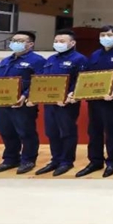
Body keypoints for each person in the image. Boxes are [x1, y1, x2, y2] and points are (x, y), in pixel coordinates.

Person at [76, 25, 113, 178]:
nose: (105, 38)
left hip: (112, 99)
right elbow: (88, 76)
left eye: (109, 35)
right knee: (94, 130)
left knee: (111, 131)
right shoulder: (95, 54)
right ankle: (95, 161)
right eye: (102, 35)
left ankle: (112, 162)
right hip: (95, 99)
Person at [0, 31, 46, 175]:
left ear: (30, 44)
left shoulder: (37, 60)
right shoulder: (6, 61)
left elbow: (40, 81)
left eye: (20, 41)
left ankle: (28, 160)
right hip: (3, 104)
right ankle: (10, 159)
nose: (15, 43)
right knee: (6, 132)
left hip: (23, 104)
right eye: (14, 40)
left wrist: (26, 95)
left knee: (26, 132)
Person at [35, 30, 87, 176]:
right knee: (52, 132)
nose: (58, 44)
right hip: (50, 102)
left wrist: (72, 94)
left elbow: (81, 80)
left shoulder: (79, 59)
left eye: (62, 41)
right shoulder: (51, 59)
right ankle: (55, 159)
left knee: (67, 132)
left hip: (67, 103)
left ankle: (66, 161)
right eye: (56, 41)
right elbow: (43, 80)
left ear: (72, 43)